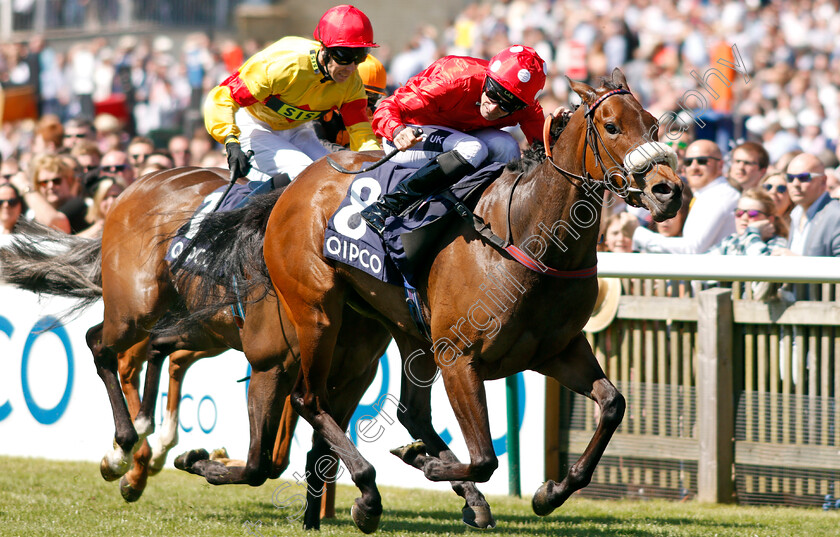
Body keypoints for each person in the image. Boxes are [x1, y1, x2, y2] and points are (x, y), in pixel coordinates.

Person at [361, 45, 548, 233]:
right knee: (473, 149)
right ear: (488, 78)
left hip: (456, 138)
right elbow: (387, 106)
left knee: (508, 146)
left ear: (522, 106)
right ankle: (386, 206)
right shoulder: (454, 78)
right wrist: (396, 130)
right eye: (491, 94)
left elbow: (548, 151)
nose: (492, 108)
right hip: (409, 135)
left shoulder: (528, 108)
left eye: (505, 106)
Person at [203, 4, 381, 186]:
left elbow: (362, 134)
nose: (351, 67)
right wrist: (230, 140)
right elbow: (222, 96)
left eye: (360, 56)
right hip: (253, 126)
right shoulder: (283, 66)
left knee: (338, 174)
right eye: (344, 55)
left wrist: (379, 163)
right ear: (324, 49)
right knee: (303, 172)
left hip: (297, 130)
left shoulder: (352, 82)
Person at [632, 139, 740, 253]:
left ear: (720, 165)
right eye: (688, 162)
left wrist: (637, 233)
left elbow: (692, 248)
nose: (694, 167)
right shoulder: (706, 194)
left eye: (702, 161)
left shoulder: (719, 196)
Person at [313, 53, 387, 151]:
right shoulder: (321, 108)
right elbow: (315, 143)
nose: (364, 104)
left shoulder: (375, 117)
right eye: (362, 94)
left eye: (373, 98)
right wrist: (352, 156)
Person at [773, 153, 840, 257]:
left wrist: (797, 261)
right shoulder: (796, 214)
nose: (795, 184)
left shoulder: (836, 215)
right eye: (790, 178)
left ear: (823, 181)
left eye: (803, 177)